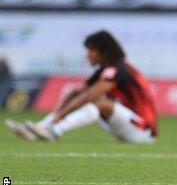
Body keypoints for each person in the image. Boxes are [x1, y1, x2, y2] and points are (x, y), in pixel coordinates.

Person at [5, 30, 157, 144]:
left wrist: (59, 117)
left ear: (103, 52)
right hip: (124, 126)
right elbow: (78, 92)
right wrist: (58, 113)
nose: (87, 54)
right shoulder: (104, 70)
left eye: (91, 50)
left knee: (98, 102)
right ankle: (39, 128)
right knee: (76, 95)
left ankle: (55, 131)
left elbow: (90, 97)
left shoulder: (118, 69)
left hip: (143, 129)